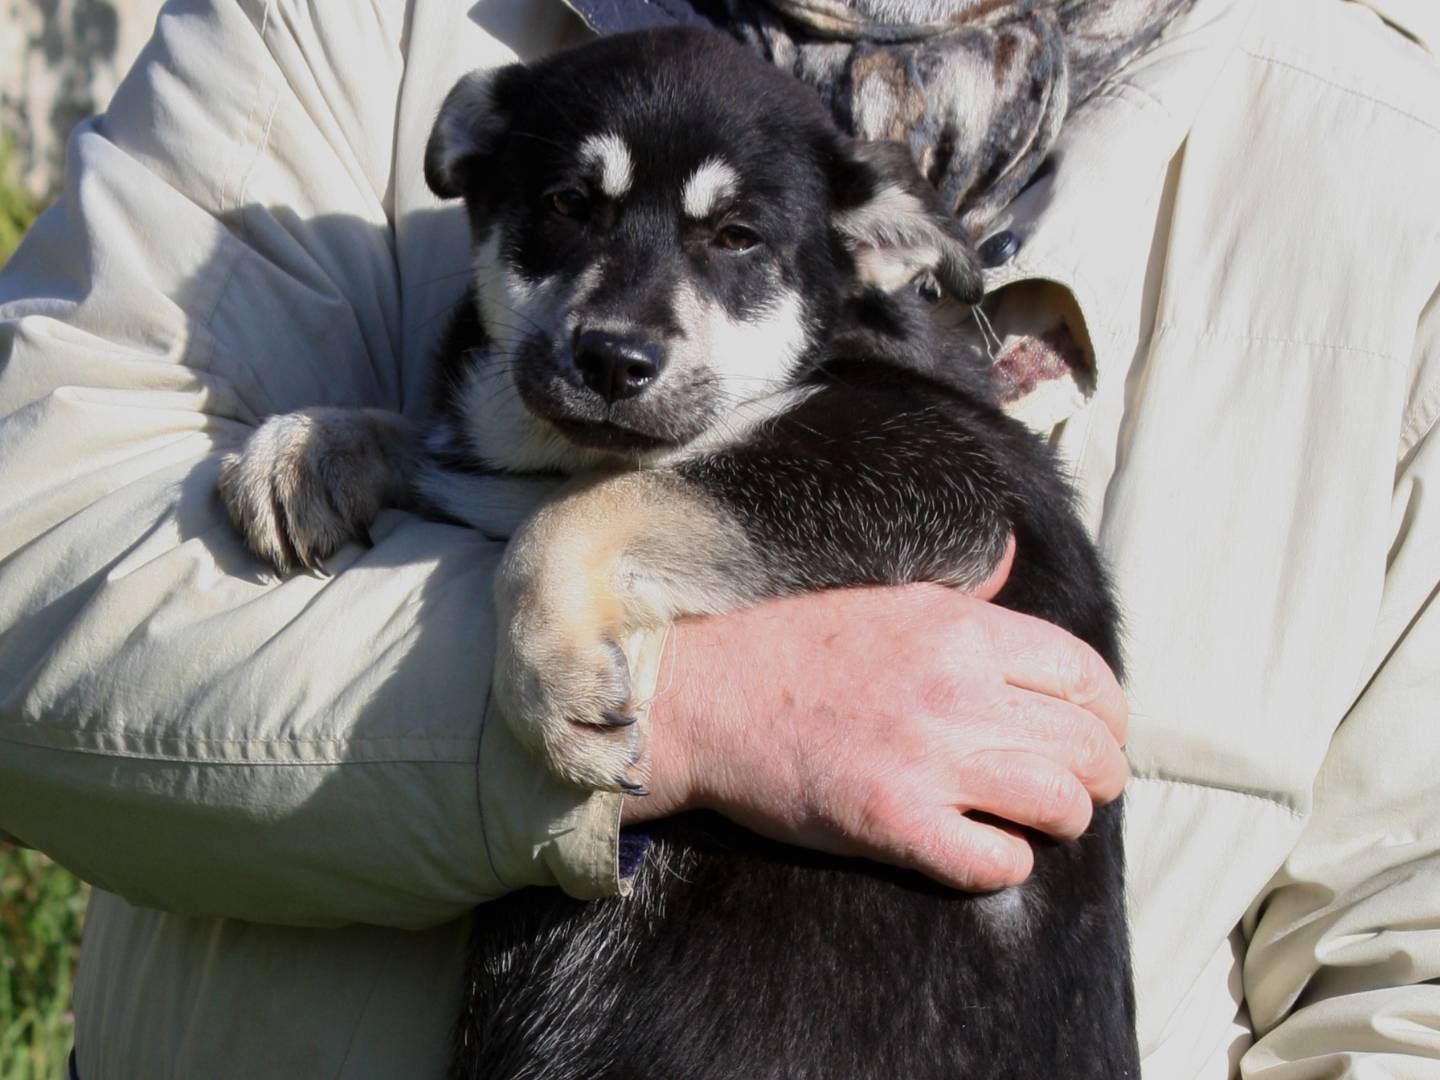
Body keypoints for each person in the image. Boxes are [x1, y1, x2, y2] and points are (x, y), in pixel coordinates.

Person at [0, 0, 1436, 1075]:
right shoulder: (344, 25)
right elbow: (38, 572)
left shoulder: (1378, 169)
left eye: (732, 244)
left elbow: (1404, 974)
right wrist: (659, 714)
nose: (631, 316)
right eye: (574, 212)